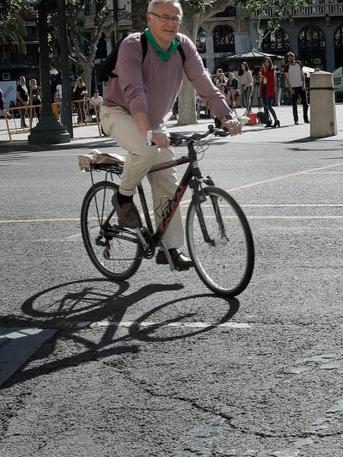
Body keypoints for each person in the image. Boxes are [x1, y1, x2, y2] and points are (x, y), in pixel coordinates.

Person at [101, 0, 240, 270]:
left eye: (175, 18)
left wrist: (227, 115)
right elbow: (134, 90)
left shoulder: (183, 46)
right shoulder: (133, 44)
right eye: (164, 17)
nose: (171, 23)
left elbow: (203, 81)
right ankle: (123, 197)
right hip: (118, 112)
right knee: (145, 149)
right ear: (150, 19)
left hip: (153, 122)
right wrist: (149, 131)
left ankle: (170, 247)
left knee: (167, 181)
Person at [284, 52, 308, 125]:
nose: (291, 58)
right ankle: (296, 120)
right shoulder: (286, 66)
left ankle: (306, 119)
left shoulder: (299, 63)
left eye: (292, 57)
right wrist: (290, 88)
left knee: (305, 104)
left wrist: (304, 84)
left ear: (294, 57)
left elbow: (302, 74)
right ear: (287, 59)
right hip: (293, 87)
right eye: (289, 57)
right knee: (294, 105)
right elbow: (287, 79)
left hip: (301, 85)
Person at [259, 56, 280, 128]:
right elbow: (262, 81)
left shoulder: (272, 70)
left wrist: (264, 71)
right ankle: (268, 121)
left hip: (269, 90)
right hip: (263, 89)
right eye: (265, 62)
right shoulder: (262, 70)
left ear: (270, 62)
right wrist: (260, 77)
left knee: (269, 106)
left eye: (267, 61)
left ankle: (276, 120)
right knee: (265, 106)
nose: (266, 63)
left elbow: (269, 79)